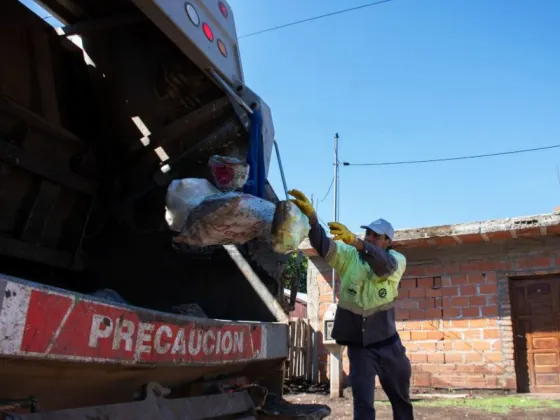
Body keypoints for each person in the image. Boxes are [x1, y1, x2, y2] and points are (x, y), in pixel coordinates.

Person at [289, 189, 414, 420]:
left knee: (401, 402)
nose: (370, 238)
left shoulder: (397, 260)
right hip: (360, 348)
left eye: (376, 236)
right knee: (363, 405)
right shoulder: (349, 255)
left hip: (389, 345)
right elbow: (323, 245)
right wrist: (313, 219)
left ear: (388, 242)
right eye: (367, 234)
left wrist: (358, 243)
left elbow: (383, 266)